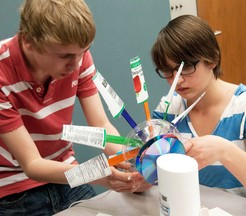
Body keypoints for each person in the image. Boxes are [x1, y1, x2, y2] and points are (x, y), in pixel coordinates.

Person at [0, 0, 146, 215]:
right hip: (15, 190)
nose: (76, 64)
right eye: (65, 56)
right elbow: (32, 165)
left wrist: (134, 158)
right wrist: (96, 174)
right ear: (29, 41)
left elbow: (101, 127)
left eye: (83, 52)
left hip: (67, 173)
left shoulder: (77, 56)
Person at [151, 14, 246, 213]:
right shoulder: (169, 109)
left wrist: (224, 151)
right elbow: (155, 178)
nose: (176, 80)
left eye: (186, 67)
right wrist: (143, 174)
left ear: (212, 60)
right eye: (167, 71)